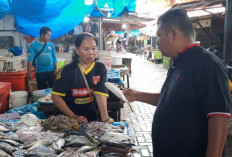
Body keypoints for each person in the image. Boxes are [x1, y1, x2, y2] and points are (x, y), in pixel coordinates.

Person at [123, 9, 231, 157]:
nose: (158, 41)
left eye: (159, 35)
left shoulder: (208, 64)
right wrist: (137, 95)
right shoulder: (178, 62)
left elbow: (219, 117)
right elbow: (170, 100)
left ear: (173, 34)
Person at [51, 32, 114, 124]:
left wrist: (105, 118)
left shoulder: (100, 68)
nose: (91, 53)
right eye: (86, 49)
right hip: (70, 120)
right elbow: (55, 96)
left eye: (94, 49)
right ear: (76, 50)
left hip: (93, 118)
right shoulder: (67, 70)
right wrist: (73, 116)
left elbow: (100, 93)